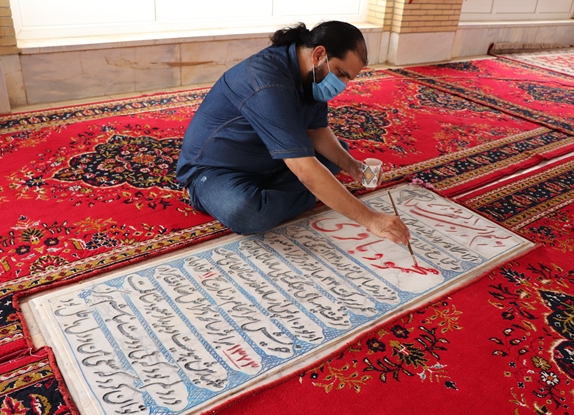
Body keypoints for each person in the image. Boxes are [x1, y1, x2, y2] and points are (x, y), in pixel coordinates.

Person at [176, 21, 410, 247]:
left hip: (267, 156)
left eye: (348, 78)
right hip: (216, 170)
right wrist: (370, 218)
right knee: (247, 213)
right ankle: (313, 192)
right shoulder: (268, 80)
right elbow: (304, 168)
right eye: (340, 73)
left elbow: (316, 130)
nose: (342, 84)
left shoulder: (312, 74)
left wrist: (352, 166)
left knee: (337, 154)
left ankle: (310, 188)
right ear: (319, 54)